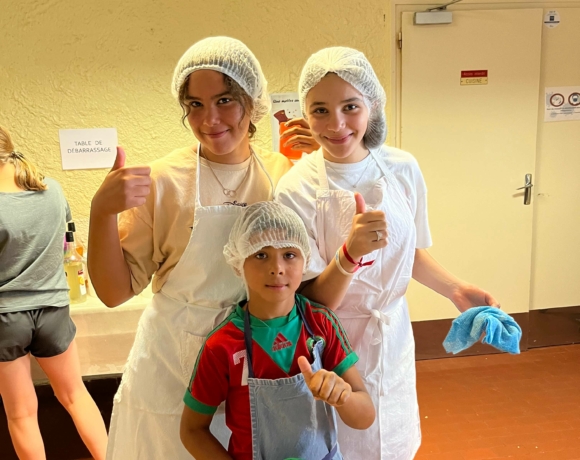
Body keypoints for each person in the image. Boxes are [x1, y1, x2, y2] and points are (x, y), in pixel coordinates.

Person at [88, 37, 312, 459]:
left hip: (251, 353)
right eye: (194, 104)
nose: (209, 119)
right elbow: (114, 293)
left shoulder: (281, 177)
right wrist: (100, 213)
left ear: (252, 102)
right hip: (169, 359)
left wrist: (321, 169)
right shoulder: (164, 179)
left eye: (225, 100)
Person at [275, 47, 500, 460]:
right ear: (303, 114)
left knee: (393, 443)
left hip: (392, 335)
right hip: (334, 348)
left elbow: (407, 253)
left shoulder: (401, 168)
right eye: (320, 110)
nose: (336, 124)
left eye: (350, 106)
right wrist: (350, 254)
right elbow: (309, 301)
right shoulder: (295, 189)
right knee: (337, 446)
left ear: (372, 106)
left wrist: (455, 289)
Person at [180, 201, 375, 460]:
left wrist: (342, 396)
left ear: (305, 260)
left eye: (289, 254)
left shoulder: (320, 324)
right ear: (239, 263)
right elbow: (192, 430)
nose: (277, 268)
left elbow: (365, 417)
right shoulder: (222, 346)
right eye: (261, 254)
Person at [0, 126, 108, 460]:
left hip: (6, 316)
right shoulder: (54, 190)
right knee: (76, 395)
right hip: (54, 310)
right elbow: (66, 244)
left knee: (22, 413)